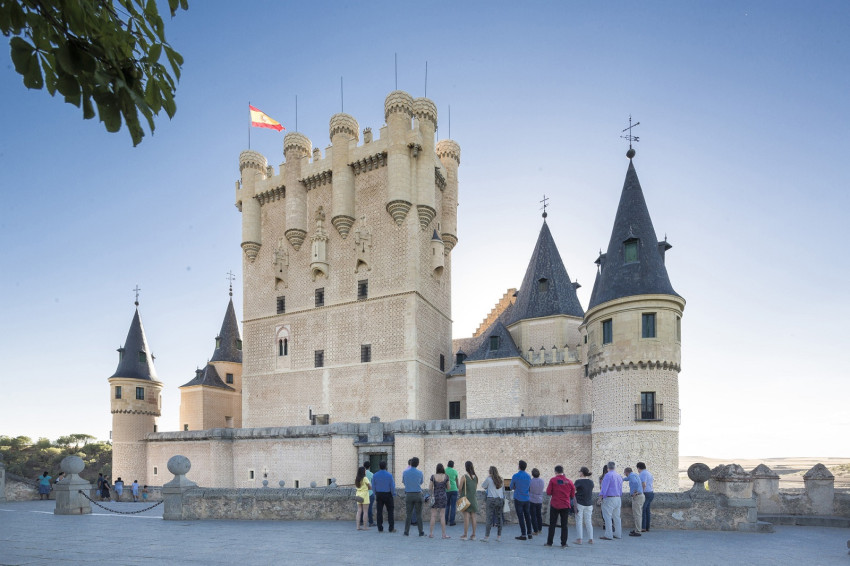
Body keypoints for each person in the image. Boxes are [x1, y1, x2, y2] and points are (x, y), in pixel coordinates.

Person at [544, 465, 575, 548]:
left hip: (555, 504)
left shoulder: (553, 480)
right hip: (565, 505)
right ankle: (564, 543)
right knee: (564, 525)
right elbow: (572, 495)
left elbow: (548, 492)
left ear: (555, 472)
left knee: (552, 524)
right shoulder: (569, 481)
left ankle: (549, 542)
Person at [479, 466, 504, 542]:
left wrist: (488, 477)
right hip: (500, 499)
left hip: (491, 499)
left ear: (490, 472)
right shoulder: (501, 479)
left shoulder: (489, 479)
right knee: (499, 518)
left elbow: (483, 486)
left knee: (489, 518)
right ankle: (499, 536)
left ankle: (486, 537)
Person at [599, 461, 623, 540]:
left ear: (607, 468)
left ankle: (608, 534)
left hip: (609, 498)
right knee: (617, 517)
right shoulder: (619, 476)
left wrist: (600, 498)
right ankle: (618, 533)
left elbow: (604, 488)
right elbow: (620, 487)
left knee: (607, 517)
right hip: (618, 498)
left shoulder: (607, 475)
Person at [510, 460, 533, 540]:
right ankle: (529, 533)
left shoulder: (515, 476)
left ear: (519, 466)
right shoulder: (528, 476)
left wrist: (516, 487)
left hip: (518, 498)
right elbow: (529, 487)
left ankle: (523, 534)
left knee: (521, 517)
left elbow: (511, 487)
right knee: (527, 516)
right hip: (527, 498)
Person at [402, 457, 425, 536]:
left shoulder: (405, 472)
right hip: (418, 494)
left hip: (408, 494)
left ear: (411, 463)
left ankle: (406, 531)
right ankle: (421, 531)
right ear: (418, 464)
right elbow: (421, 482)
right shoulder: (420, 473)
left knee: (408, 514)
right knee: (419, 514)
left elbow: (404, 482)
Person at [372, 460, 396, 533]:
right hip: (388, 494)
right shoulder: (389, 475)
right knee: (390, 511)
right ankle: (391, 528)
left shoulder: (375, 475)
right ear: (386, 466)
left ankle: (380, 528)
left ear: (379, 466)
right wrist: (393, 494)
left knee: (379, 511)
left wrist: (375, 493)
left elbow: (373, 486)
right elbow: (392, 486)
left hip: (379, 494)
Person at [428, 463, 451, 539]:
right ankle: (444, 534)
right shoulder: (446, 476)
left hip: (435, 497)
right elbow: (449, 488)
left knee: (433, 515)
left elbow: (430, 488)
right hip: (443, 497)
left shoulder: (433, 476)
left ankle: (431, 533)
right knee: (442, 516)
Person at [573, 466, 594, 545]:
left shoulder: (578, 481)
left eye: (580, 472)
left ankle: (579, 539)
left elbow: (573, 489)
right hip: (589, 503)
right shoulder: (591, 482)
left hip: (580, 503)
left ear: (582, 473)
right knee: (588, 521)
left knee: (579, 521)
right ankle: (591, 538)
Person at [457, 461, 478, 541]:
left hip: (466, 499)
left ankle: (465, 535)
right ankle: (474, 535)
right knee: (473, 517)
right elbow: (475, 488)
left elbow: (460, 488)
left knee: (466, 517)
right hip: (473, 499)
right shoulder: (476, 477)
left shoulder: (464, 477)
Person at [624, 467, 644, 537]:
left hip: (637, 497)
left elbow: (635, 483)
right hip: (640, 496)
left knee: (637, 515)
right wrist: (621, 479)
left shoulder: (632, 476)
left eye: (624, 473)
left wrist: (635, 492)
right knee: (637, 514)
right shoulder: (634, 475)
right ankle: (636, 529)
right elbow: (626, 479)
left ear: (626, 472)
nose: (624, 474)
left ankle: (638, 531)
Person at [637, 462, 654, 532]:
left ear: (638, 468)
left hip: (646, 493)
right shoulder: (649, 473)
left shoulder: (642, 473)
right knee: (647, 510)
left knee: (643, 509)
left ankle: (643, 527)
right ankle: (647, 527)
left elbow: (644, 484)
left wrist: (641, 492)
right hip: (651, 493)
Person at [354, 466, 371, 530]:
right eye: (365, 470)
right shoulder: (365, 478)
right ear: (363, 471)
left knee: (359, 511)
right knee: (365, 511)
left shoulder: (357, 479)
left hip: (358, 495)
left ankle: (358, 527)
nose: (365, 471)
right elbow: (370, 486)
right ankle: (365, 527)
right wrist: (368, 488)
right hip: (365, 495)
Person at [529, 468, 545, 536]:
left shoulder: (530, 481)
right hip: (539, 499)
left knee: (533, 516)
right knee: (539, 515)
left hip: (532, 499)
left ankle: (535, 530)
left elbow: (529, 489)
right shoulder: (542, 481)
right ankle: (540, 529)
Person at [444, 460, 459, 526]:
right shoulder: (455, 471)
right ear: (453, 465)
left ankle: (445, 520)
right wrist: (458, 488)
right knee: (453, 505)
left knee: (447, 505)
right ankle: (452, 521)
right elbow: (457, 481)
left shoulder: (444, 471)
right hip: (454, 489)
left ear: (447, 464)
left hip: (447, 490)